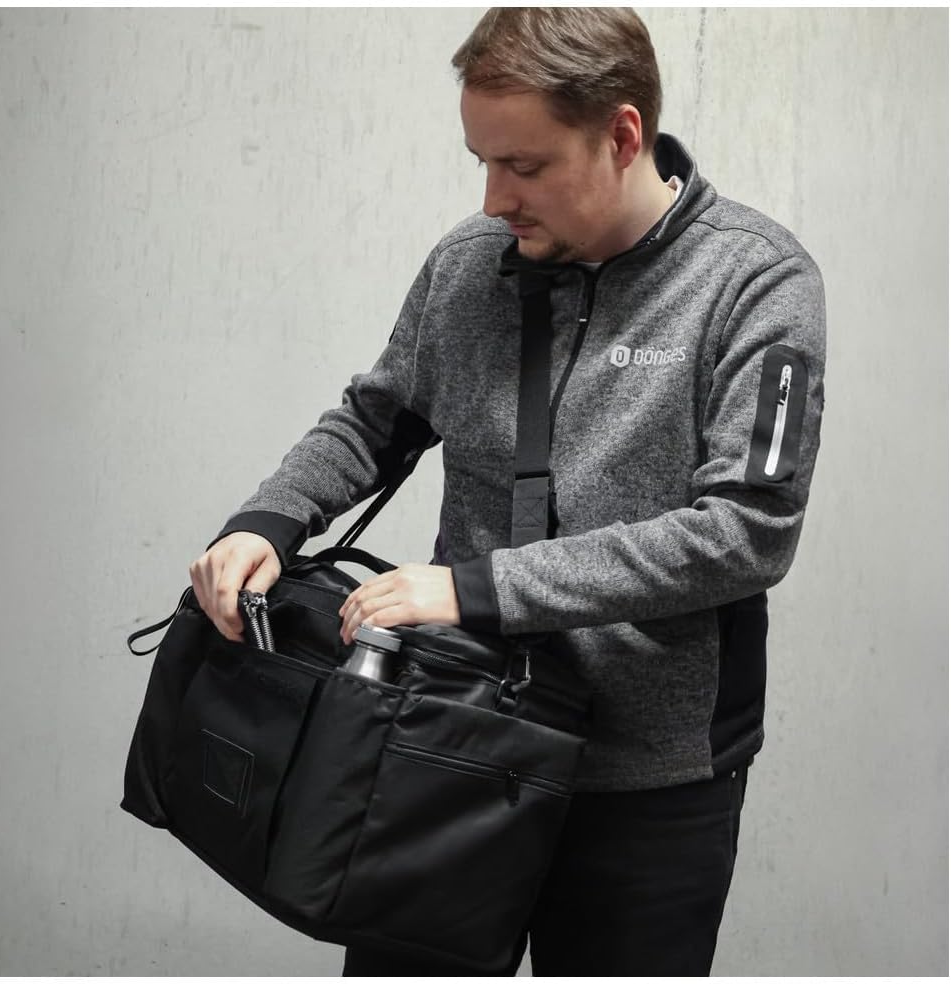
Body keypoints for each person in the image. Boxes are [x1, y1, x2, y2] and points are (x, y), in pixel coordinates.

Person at [189, 7, 826, 976]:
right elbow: (373, 420)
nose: (493, 199)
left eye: (523, 166)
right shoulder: (465, 265)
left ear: (621, 135)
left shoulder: (756, 280)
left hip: (649, 782)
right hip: (441, 738)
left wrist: (475, 589)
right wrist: (265, 524)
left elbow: (746, 532)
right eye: (481, 161)